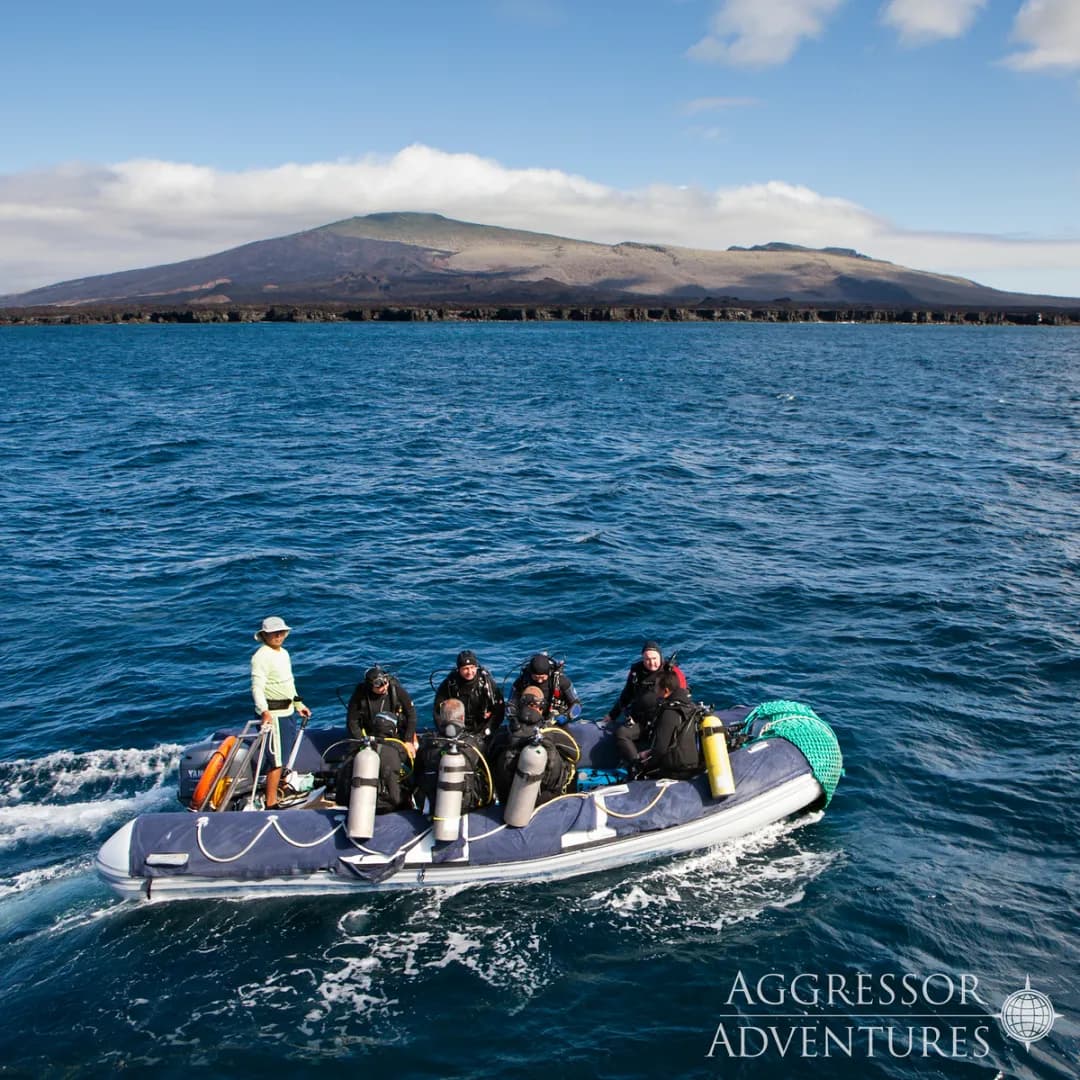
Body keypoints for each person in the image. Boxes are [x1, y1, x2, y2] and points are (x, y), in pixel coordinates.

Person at [250, 615, 312, 809]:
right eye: (273, 633)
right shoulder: (261, 656)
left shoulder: (283, 653)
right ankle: (271, 802)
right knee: (275, 761)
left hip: (287, 713)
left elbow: (288, 683)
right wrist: (264, 711)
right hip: (273, 716)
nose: (278, 636)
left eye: (281, 632)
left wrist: (298, 705)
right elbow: (257, 688)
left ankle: (281, 788)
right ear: (265, 635)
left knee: (284, 756)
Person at [489, 700, 579, 806]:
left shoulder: (503, 732)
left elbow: (490, 755)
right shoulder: (552, 731)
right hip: (547, 801)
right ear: (541, 710)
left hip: (509, 802)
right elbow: (576, 755)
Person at [413, 699, 492, 814]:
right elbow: (487, 775)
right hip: (467, 806)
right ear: (462, 718)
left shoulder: (427, 744)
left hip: (434, 805)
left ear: (441, 718)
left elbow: (417, 773)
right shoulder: (474, 745)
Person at [334, 712, 414, 812]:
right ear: (394, 729)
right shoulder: (398, 748)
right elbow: (410, 777)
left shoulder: (357, 746)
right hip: (386, 806)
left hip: (352, 803)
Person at [601, 640, 688, 727]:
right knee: (622, 733)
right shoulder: (636, 671)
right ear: (643, 659)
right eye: (647, 659)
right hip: (638, 717)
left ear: (660, 657)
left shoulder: (671, 672)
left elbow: (683, 695)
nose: (651, 663)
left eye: (654, 658)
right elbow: (626, 695)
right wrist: (612, 715)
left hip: (663, 716)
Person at [640, 670, 703, 780]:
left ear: (666, 691)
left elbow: (661, 748)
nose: (654, 689)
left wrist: (647, 764)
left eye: (656, 687)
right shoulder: (689, 705)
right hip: (694, 762)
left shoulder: (669, 712)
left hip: (678, 769)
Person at [432, 650, 505, 739]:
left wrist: (487, 730)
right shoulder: (450, 684)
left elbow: (499, 709)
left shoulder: (486, 682)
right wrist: (444, 730)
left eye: (472, 667)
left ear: (476, 667)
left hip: (482, 728)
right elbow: (437, 709)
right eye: (465, 668)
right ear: (459, 669)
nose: (470, 672)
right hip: (456, 727)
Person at [347, 665, 417, 744]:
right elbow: (352, 721)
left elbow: (411, 714)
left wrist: (408, 740)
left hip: (395, 734)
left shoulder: (396, 690)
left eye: (386, 683)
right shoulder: (360, 696)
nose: (385, 687)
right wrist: (361, 740)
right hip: (371, 735)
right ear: (370, 686)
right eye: (379, 686)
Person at [508, 653, 580, 725]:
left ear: (549, 673)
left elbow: (577, 704)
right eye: (535, 677)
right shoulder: (523, 681)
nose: (539, 681)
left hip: (554, 720)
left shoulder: (561, 681)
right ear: (530, 673)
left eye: (542, 677)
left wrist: (567, 716)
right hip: (528, 718)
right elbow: (511, 703)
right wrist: (513, 717)